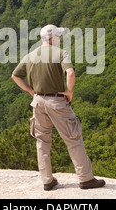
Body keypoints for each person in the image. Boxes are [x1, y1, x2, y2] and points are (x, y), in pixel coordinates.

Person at [11, 24, 105, 191]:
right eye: (59, 36)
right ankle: (85, 178)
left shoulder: (31, 55)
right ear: (53, 38)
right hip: (57, 101)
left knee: (42, 141)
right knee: (73, 138)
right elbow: (70, 72)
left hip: (38, 102)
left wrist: (31, 91)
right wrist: (69, 92)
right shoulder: (60, 53)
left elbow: (15, 76)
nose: (60, 39)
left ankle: (47, 180)